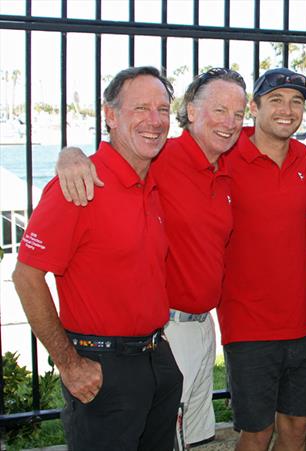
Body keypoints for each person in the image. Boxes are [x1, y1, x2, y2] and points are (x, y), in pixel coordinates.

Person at [54, 67, 247, 449]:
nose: (230, 123)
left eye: (239, 114)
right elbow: (112, 155)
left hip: (202, 329)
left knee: (188, 440)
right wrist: (69, 154)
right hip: (164, 334)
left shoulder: (225, 166)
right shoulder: (162, 156)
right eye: (219, 110)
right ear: (191, 111)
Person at [12, 66, 183, 451]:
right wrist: (69, 364)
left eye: (162, 110)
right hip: (101, 369)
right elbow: (26, 276)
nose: (154, 121)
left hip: (157, 359)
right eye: (140, 108)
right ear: (110, 115)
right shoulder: (78, 184)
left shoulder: (151, 179)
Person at [218, 67, 306, 451]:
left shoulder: (305, 157)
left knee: (297, 428)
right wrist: (73, 156)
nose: (288, 110)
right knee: (257, 433)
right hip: (248, 323)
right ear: (254, 106)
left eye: (297, 102)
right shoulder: (225, 155)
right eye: (277, 100)